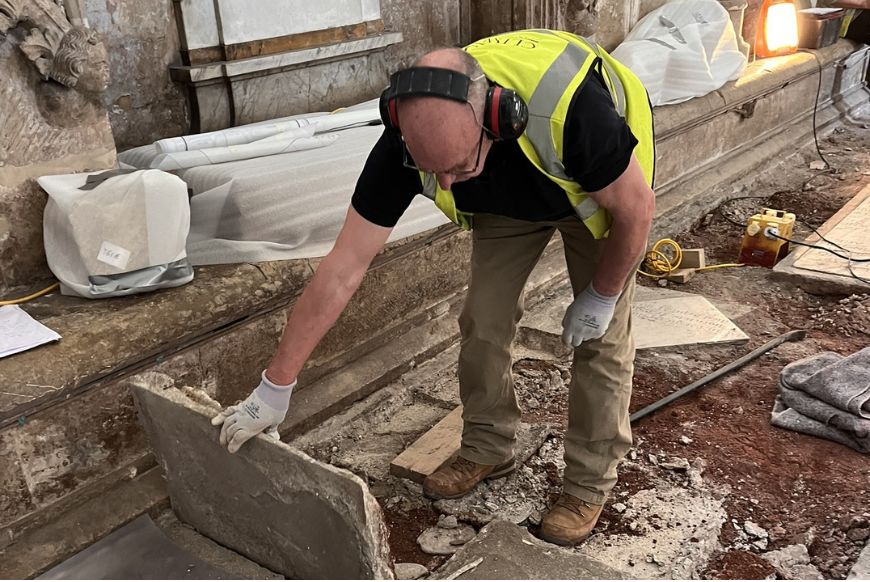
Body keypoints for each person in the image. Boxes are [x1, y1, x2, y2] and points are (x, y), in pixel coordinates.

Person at [211, 29, 656, 546]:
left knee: (600, 342)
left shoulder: (575, 114)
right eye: (431, 170)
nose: (445, 185)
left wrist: (601, 296)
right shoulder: (402, 146)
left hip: (592, 196)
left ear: (498, 120)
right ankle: (490, 445)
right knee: (482, 320)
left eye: (457, 166)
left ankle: (587, 483)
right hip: (509, 202)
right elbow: (343, 267)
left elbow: (637, 211)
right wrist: (275, 387)